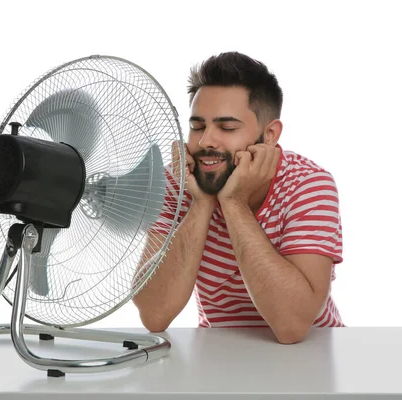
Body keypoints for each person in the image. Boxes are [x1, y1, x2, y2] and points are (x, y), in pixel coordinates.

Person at [132, 51, 344, 344]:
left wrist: (234, 203)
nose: (206, 141)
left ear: (269, 134)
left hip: (312, 355)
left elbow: (292, 327)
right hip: (219, 353)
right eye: (197, 127)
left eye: (227, 128)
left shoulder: (309, 185)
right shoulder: (178, 182)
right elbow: (154, 315)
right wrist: (202, 201)